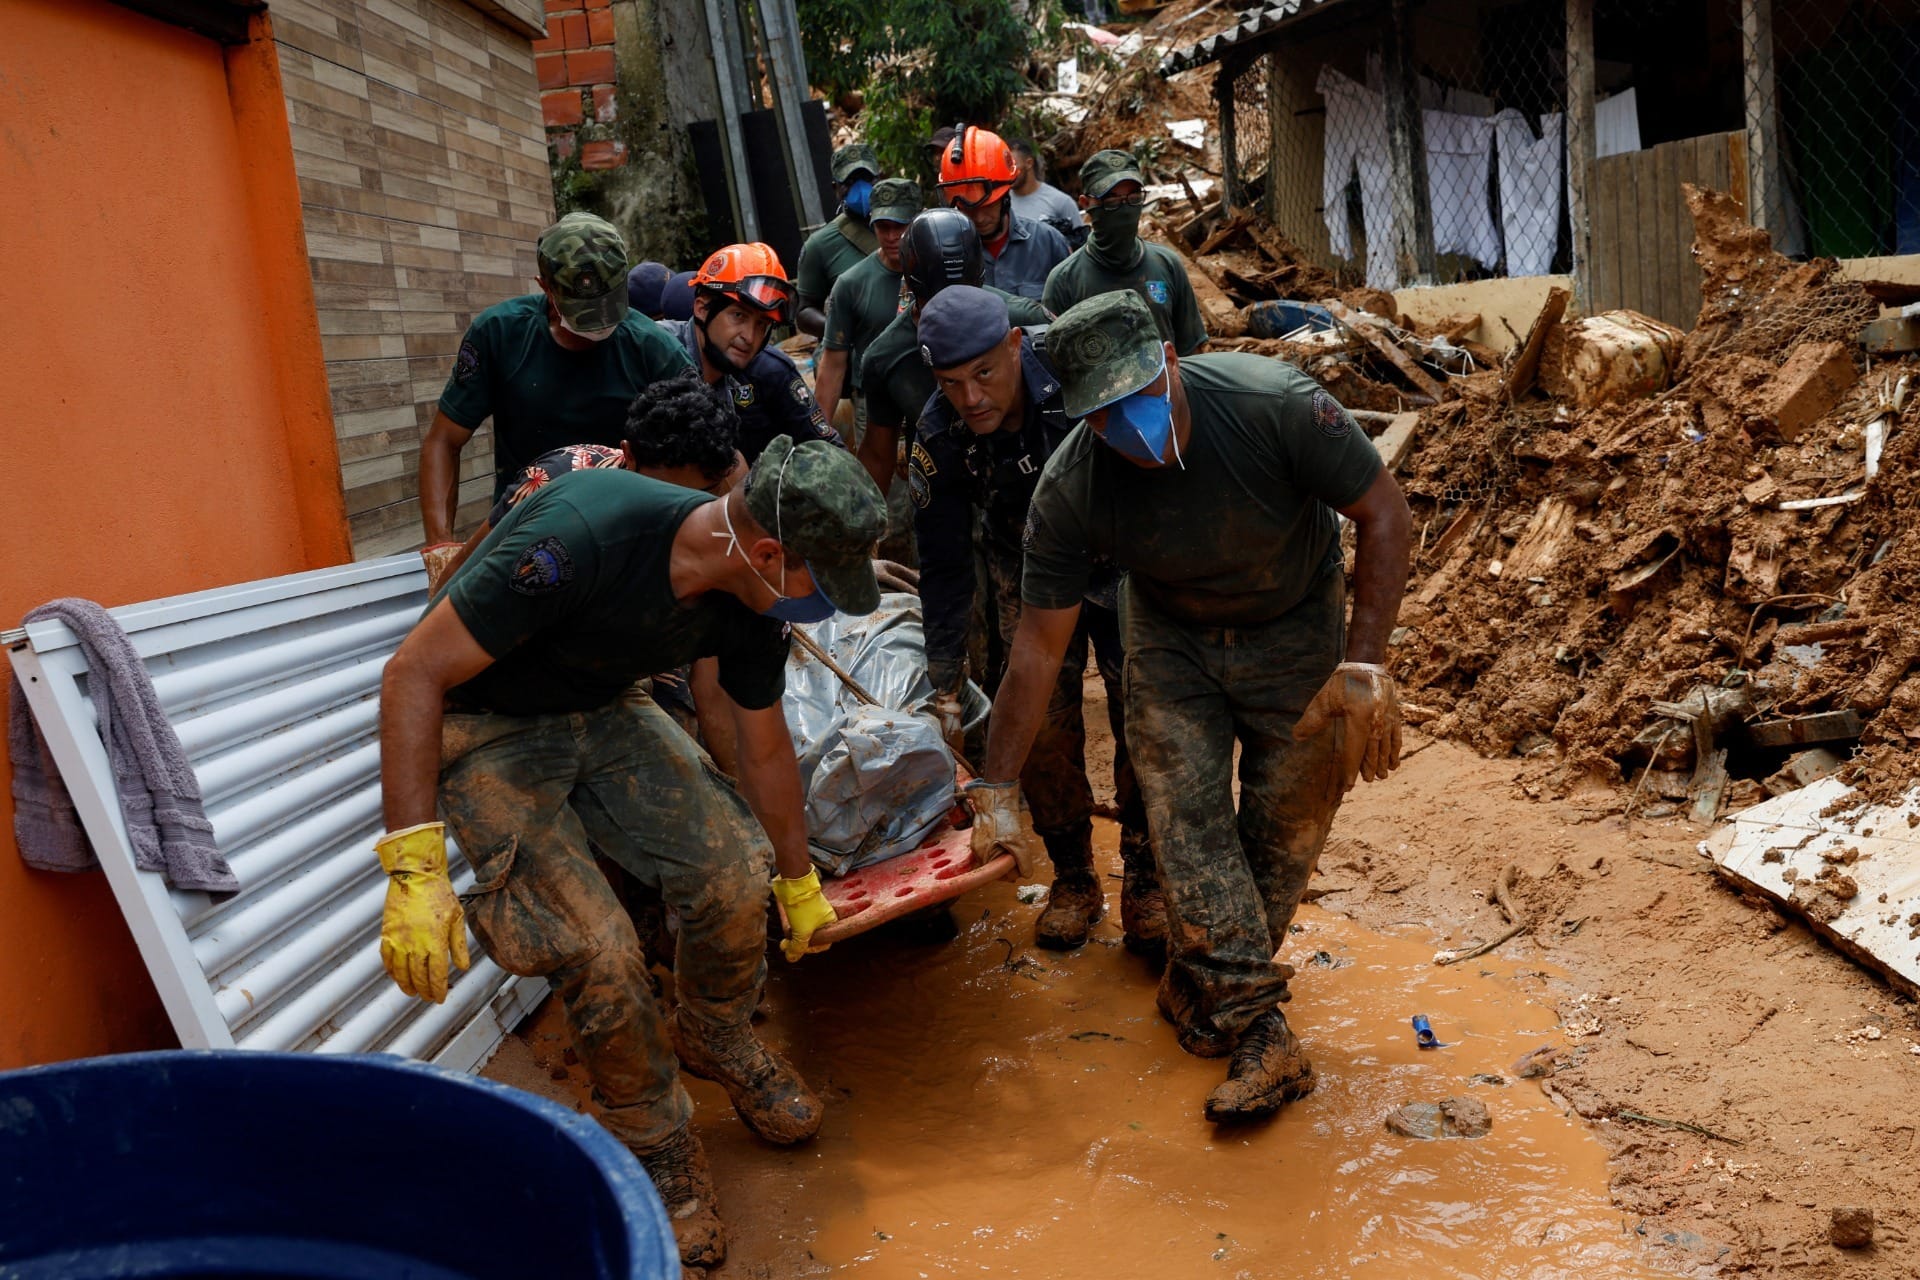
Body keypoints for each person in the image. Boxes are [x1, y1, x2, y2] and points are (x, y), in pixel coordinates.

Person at [375, 435, 889, 1268]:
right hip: (486, 723)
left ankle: (713, 1034)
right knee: (599, 947)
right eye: (817, 581)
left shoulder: (752, 597)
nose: (820, 603)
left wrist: (797, 880)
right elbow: (412, 675)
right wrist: (413, 867)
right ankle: (652, 1134)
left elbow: (762, 749)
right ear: (765, 551)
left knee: (731, 869)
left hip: (604, 707)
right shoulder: (580, 536)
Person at [965, 291, 1412, 1124]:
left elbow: (1385, 514)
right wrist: (996, 785)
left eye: (1141, 396)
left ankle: (1203, 982)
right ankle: (1263, 1036)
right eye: (1104, 415)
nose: (1129, 425)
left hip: (1297, 630)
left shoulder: (1271, 405)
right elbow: (1037, 645)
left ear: (1171, 362)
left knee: (1283, 837)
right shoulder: (1073, 486)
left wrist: (1363, 663)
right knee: (1189, 828)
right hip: (1171, 644)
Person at [908, 286, 1161, 953]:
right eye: (951, 383)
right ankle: (1074, 875)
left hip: (1118, 552)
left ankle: (1146, 875)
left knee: (1146, 705)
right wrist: (942, 678)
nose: (972, 398)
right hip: (1026, 565)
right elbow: (941, 565)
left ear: (1016, 345)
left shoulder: (1073, 366)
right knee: (1038, 722)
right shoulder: (938, 433)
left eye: (985, 373)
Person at [419, 212, 691, 549]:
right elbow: (444, 441)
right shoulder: (501, 334)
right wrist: (440, 545)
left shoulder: (654, 349)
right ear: (545, 286)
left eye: (607, 305)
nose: (599, 323)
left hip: (624, 535)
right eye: (586, 310)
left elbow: (709, 451)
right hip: (523, 532)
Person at [855, 208, 1049, 498]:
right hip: (947, 497)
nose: (953, 318)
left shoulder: (1026, 320)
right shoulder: (886, 357)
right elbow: (877, 457)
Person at [659, 242, 841, 462]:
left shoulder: (771, 371)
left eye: (762, 324)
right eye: (739, 316)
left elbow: (829, 450)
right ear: (701, 308)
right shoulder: (655, 352)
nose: (749, 336)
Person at [1043, 150, 1207, 357]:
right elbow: (1054, 365)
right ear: (1085, 204)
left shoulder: (1167, 265)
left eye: (1133, 197)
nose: (1124, 208)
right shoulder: (1065, 281)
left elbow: (1192, 351)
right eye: (1111, 200)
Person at [814, 179, 923, 432]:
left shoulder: (938, 269)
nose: (892, 236)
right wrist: (818, 433)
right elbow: (832, 363)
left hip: (929, 398)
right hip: (875, 409)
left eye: (900, 226)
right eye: (883, 227)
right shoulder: (851, 284)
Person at [935, 125, 1069, 302]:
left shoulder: (1048, 243)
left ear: (1005, 196)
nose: (980, 218)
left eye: (988, 206)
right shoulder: (943, 254)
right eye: (969, 209)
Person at [795, 143, 883, 337]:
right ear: (835, 188)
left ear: (880, 179)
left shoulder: (908, 226)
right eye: (849, 181)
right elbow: (803, 312)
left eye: (867, 178)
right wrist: (841, 332)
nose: (861, 188)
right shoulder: (819, 245)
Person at [1007, 136, 1085, 244]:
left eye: (1012, 166)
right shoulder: (1003, 203)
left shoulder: (1061, 202)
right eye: (1004, 167)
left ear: (1029, 163)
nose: (1008, 173)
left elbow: (1081, 244)